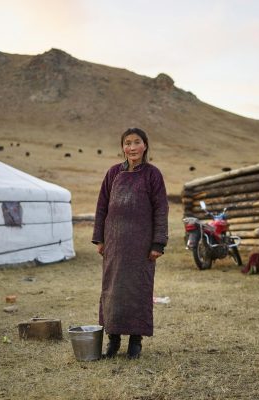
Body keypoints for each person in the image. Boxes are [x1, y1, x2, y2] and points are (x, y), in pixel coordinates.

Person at [92, 127, 168, 359]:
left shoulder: (152, 174)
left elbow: (161, 209)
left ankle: (135, 342)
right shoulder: (113, 173)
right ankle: (113, 341)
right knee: (112, 290)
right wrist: (100, 238)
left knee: (138, 290)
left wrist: (158, 243)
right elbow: (102, 206)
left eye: (137, 142)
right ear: (122, 147)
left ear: (145, 145)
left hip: (141, 245)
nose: (132, 147)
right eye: (128, 143)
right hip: (115, 243)